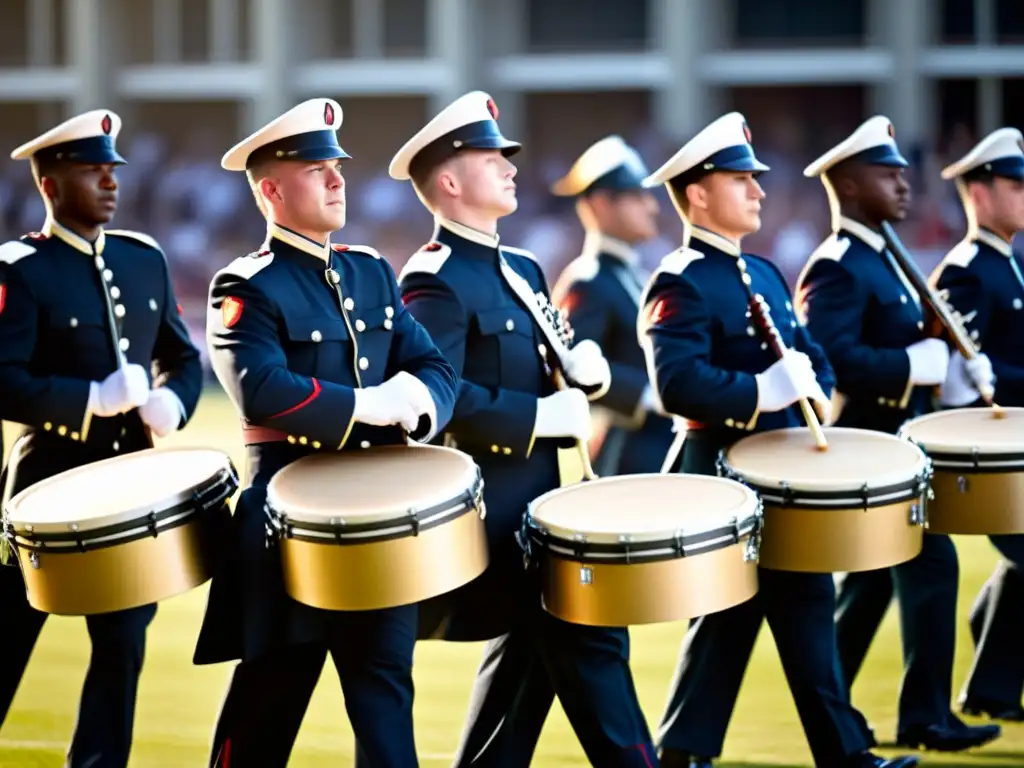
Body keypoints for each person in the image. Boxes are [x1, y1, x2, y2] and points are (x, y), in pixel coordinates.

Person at [638, 111, 917, 768]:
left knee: (808, 605)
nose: (760, 191)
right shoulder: (680, 277)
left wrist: (810, 382)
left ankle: (841, 756)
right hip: (721, 472)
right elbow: (677, 384)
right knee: (727, 617)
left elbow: (814, 354)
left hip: (785, 466)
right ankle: (684, 753)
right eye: (741, 180)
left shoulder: (762, 272)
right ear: (699, 193)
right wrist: (764, 390)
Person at [389, 90, 657, 767]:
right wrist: (537, 415)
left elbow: (552, 371)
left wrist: (583, 377)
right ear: (449, 182)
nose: (511, 166)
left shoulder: (523, 268)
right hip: (496, 518)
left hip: (542, 508)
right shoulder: (434, 278)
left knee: (524, 676)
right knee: (593, 646)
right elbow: (438, 397)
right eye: (491, 158)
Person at [191, 98, 458, 767]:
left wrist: (420, 399)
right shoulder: (246, 285)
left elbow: (431, 362)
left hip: (379, 525)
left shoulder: (368, 270)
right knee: (266, 709)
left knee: (386, 699)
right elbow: (260, 388)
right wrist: (366, 405)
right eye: (316, 169)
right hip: (290, 528)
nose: (338, 178)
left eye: (336, 165)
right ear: (271, 190)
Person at [0, 110, 204, 767]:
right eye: (94, 171)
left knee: (121, 651)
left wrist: (173, 399)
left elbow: (184, 356)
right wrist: (89, 401)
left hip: (126, 488)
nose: (111, 182)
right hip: (44, 489)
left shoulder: (144, 259)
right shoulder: (20, 268)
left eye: (113, 170)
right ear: (51, 186)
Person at [795, 115, 1001, 752]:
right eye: (887, 175)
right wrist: (912, 365)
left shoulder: (886, 257)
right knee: (920, 567)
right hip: (864, 437)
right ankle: (918, 717)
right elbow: (830, 357)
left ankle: (868, 711)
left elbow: (902, 343)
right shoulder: (839, 264)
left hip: (898, 439)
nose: (904, 184)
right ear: (851, 187)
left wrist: (941, 361)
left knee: (872, 584)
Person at [930, 126, 1024, 722]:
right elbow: (969, 370)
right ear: (979, 194)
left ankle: (989, 689)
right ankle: (986, 684)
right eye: (1014, 185)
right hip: (984, 451)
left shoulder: (1005, 265)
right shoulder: (968, 268)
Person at [549, 135, 675, 476]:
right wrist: (648, 393)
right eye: (636, 196)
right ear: (601, 203)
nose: (652, 207)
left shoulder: (633, 273)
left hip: (655, 447)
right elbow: (571, 366)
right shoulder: (586, 279)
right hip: (624, 456)